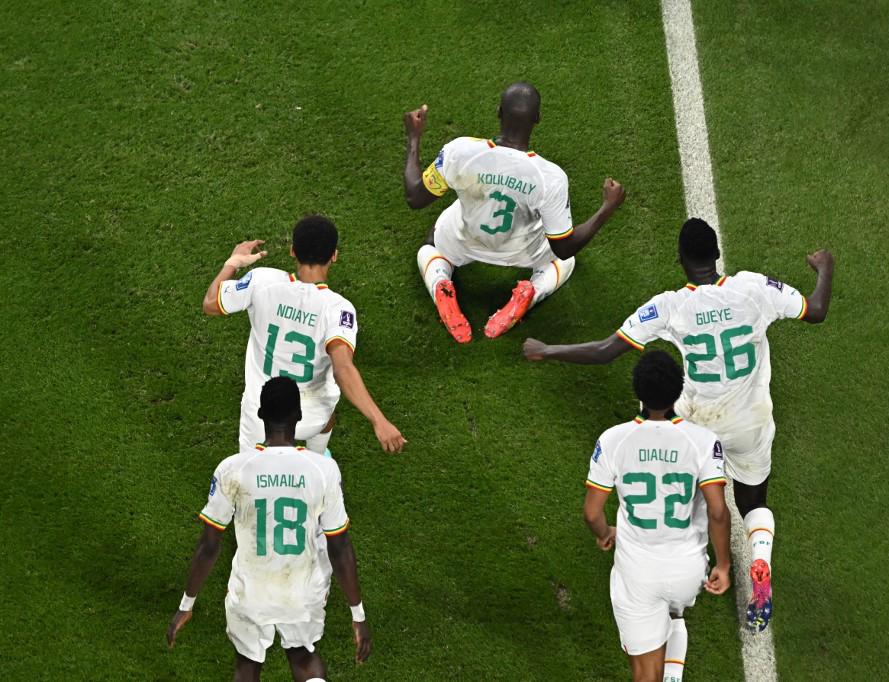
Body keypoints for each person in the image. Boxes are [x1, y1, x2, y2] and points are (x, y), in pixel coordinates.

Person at [526, 218, 835, 632]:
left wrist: (548, 349)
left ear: (680, 260)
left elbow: (605, 351)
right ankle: (758, 558)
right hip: (752, 421)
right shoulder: (753, 288)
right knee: (752, 502)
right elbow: (815, 310)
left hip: (698, 429)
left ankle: (673, 587)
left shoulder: (672, 305)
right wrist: (825, 269)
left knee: (693, 498)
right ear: (717, 255)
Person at [166, 377, 371, 681]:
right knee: (303, 656)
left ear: (260, 415)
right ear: (298, 416)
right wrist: (358, 615)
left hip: (252, 592)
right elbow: (339, 546)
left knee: (247, 665)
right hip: (302, 591)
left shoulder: (232, 468)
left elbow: (208, 546)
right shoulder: (323, 470)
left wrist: (186, 604)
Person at [402, 81, 626, 343]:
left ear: (498, 111)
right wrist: (606, 208)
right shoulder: (550, 177)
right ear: (538, 119)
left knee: (430, 248)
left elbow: (415, 197)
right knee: (565, 261)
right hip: (522, 251)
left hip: (464, 240)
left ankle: (440, 282)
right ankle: (529, 292)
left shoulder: (460, 151)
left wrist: (414, 138)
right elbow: (565, 248)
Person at [201, 215, 405, 455]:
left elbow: (210, 303)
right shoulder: (338, 308)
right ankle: (318, 456)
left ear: (292, 251)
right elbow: (343, 368)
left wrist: (233, 262)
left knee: (249, 464)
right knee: (327, 410)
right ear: (334, 256)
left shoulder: (262, 281)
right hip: (312, 416)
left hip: (261, 414)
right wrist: (379, 420)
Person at [584, 351, 731, 682]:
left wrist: (605, 531)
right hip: (687, 572)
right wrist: (722, 565)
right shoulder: (703, 442)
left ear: (638, 393)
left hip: (637, 575)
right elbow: (718, 511)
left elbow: (592, 512)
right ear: (678, 391)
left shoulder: (613, 440)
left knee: (644, 671)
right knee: (674, 608)